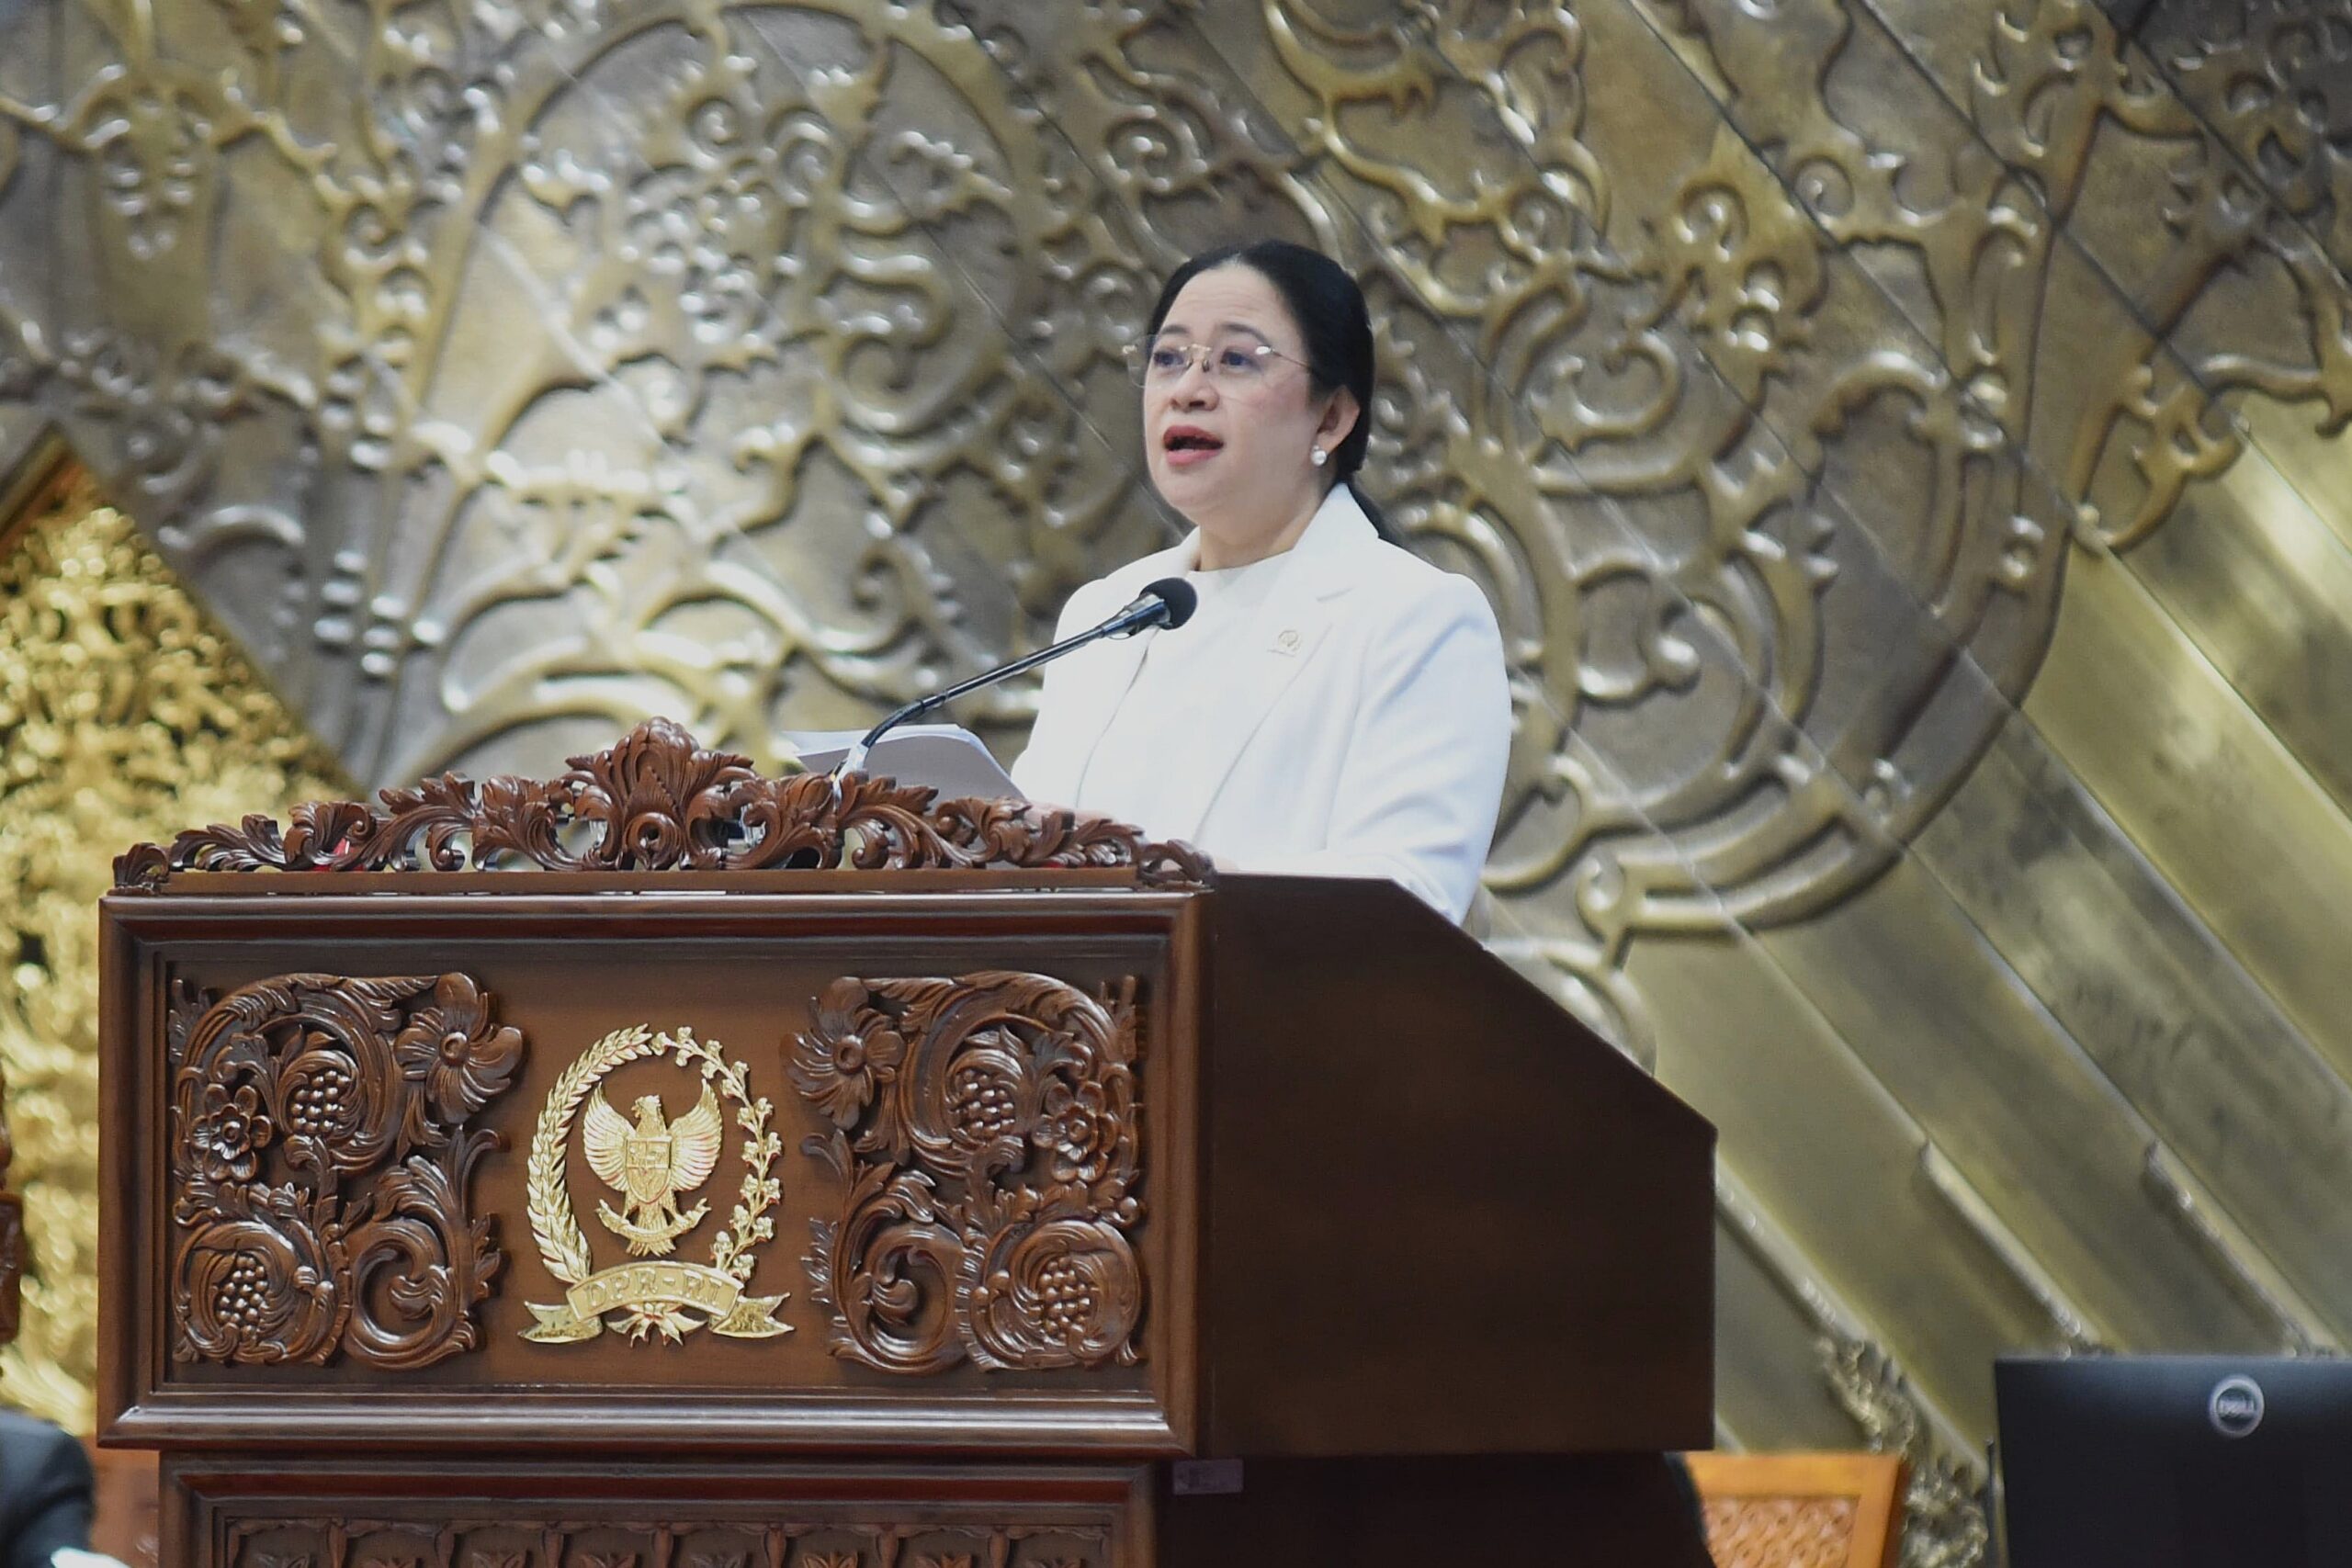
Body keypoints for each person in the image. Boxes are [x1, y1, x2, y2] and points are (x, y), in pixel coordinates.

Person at [1012, 240, 1510, 924]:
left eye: (1237, 360)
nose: (1188, 389)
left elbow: (1406, 901)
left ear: (1332, 416)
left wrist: (1161, 885)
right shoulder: (1103, 614)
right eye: (1168, 358)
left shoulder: (1415, 619)